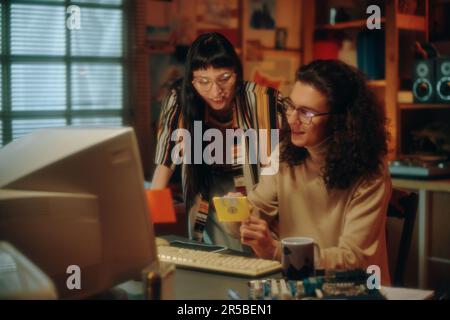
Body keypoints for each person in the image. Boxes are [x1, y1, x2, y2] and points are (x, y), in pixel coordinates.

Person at [227, 60, 392, 284]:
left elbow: (353, 259)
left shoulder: (371, 171)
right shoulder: (285, 152)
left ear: (340, 120)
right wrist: (236, 213)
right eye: (291, 106)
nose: (292, 119)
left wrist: (277, 251)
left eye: (306, 112)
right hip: (295, 285)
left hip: (349, 290)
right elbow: (255, 212)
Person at [152, 32, 283, 251]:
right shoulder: (179, 99)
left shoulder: (265, 100)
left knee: (255, 249)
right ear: (192, 80)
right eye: (203, 82)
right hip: (208, 191)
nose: (215, 91)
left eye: (224, 79)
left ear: (237, 73)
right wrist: (149, 226)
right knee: (216, 254)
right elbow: (166, 160)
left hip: (257, 190)